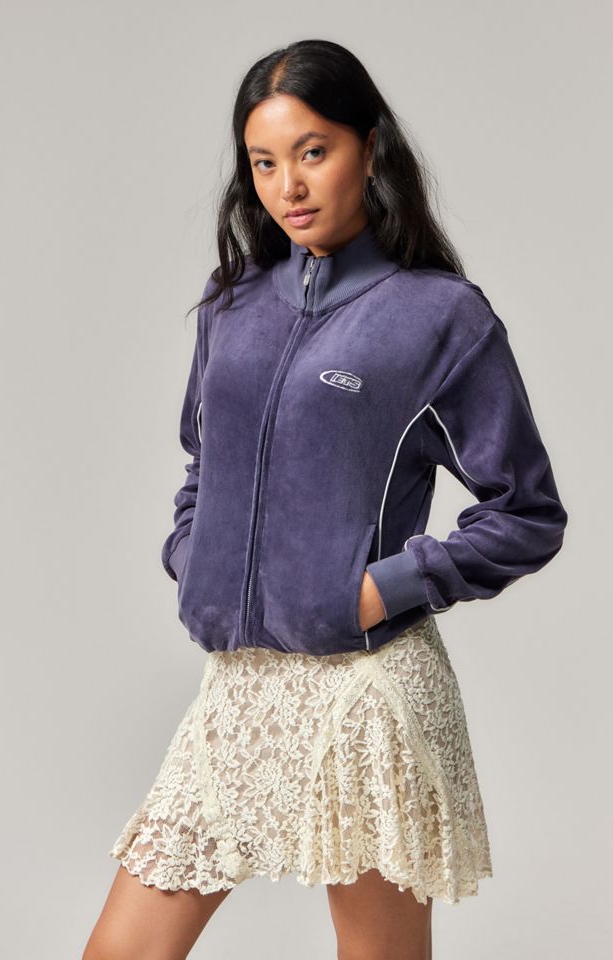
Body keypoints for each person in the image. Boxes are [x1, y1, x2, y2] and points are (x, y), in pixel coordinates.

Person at [82, 38, 568, 960]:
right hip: (240, 687)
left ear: (369, 148)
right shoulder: (232, 304)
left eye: (313, 152)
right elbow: (204, 461)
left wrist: (381, 590)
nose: (289, 186)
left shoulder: (439, 317)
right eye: (264, 163)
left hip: (365, 689)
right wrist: (195, 556)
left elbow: (527, 511)